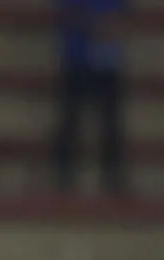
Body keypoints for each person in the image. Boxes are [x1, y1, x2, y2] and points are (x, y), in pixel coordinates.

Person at [53, 0, 129, 194]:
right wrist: (93, 24)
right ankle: (64, 176)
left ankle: (113, 177)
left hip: (107, 60)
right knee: (71, 119)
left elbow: (121, 17)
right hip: (76, 59)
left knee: (110, 122)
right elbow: (64, 13)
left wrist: (107, 26)